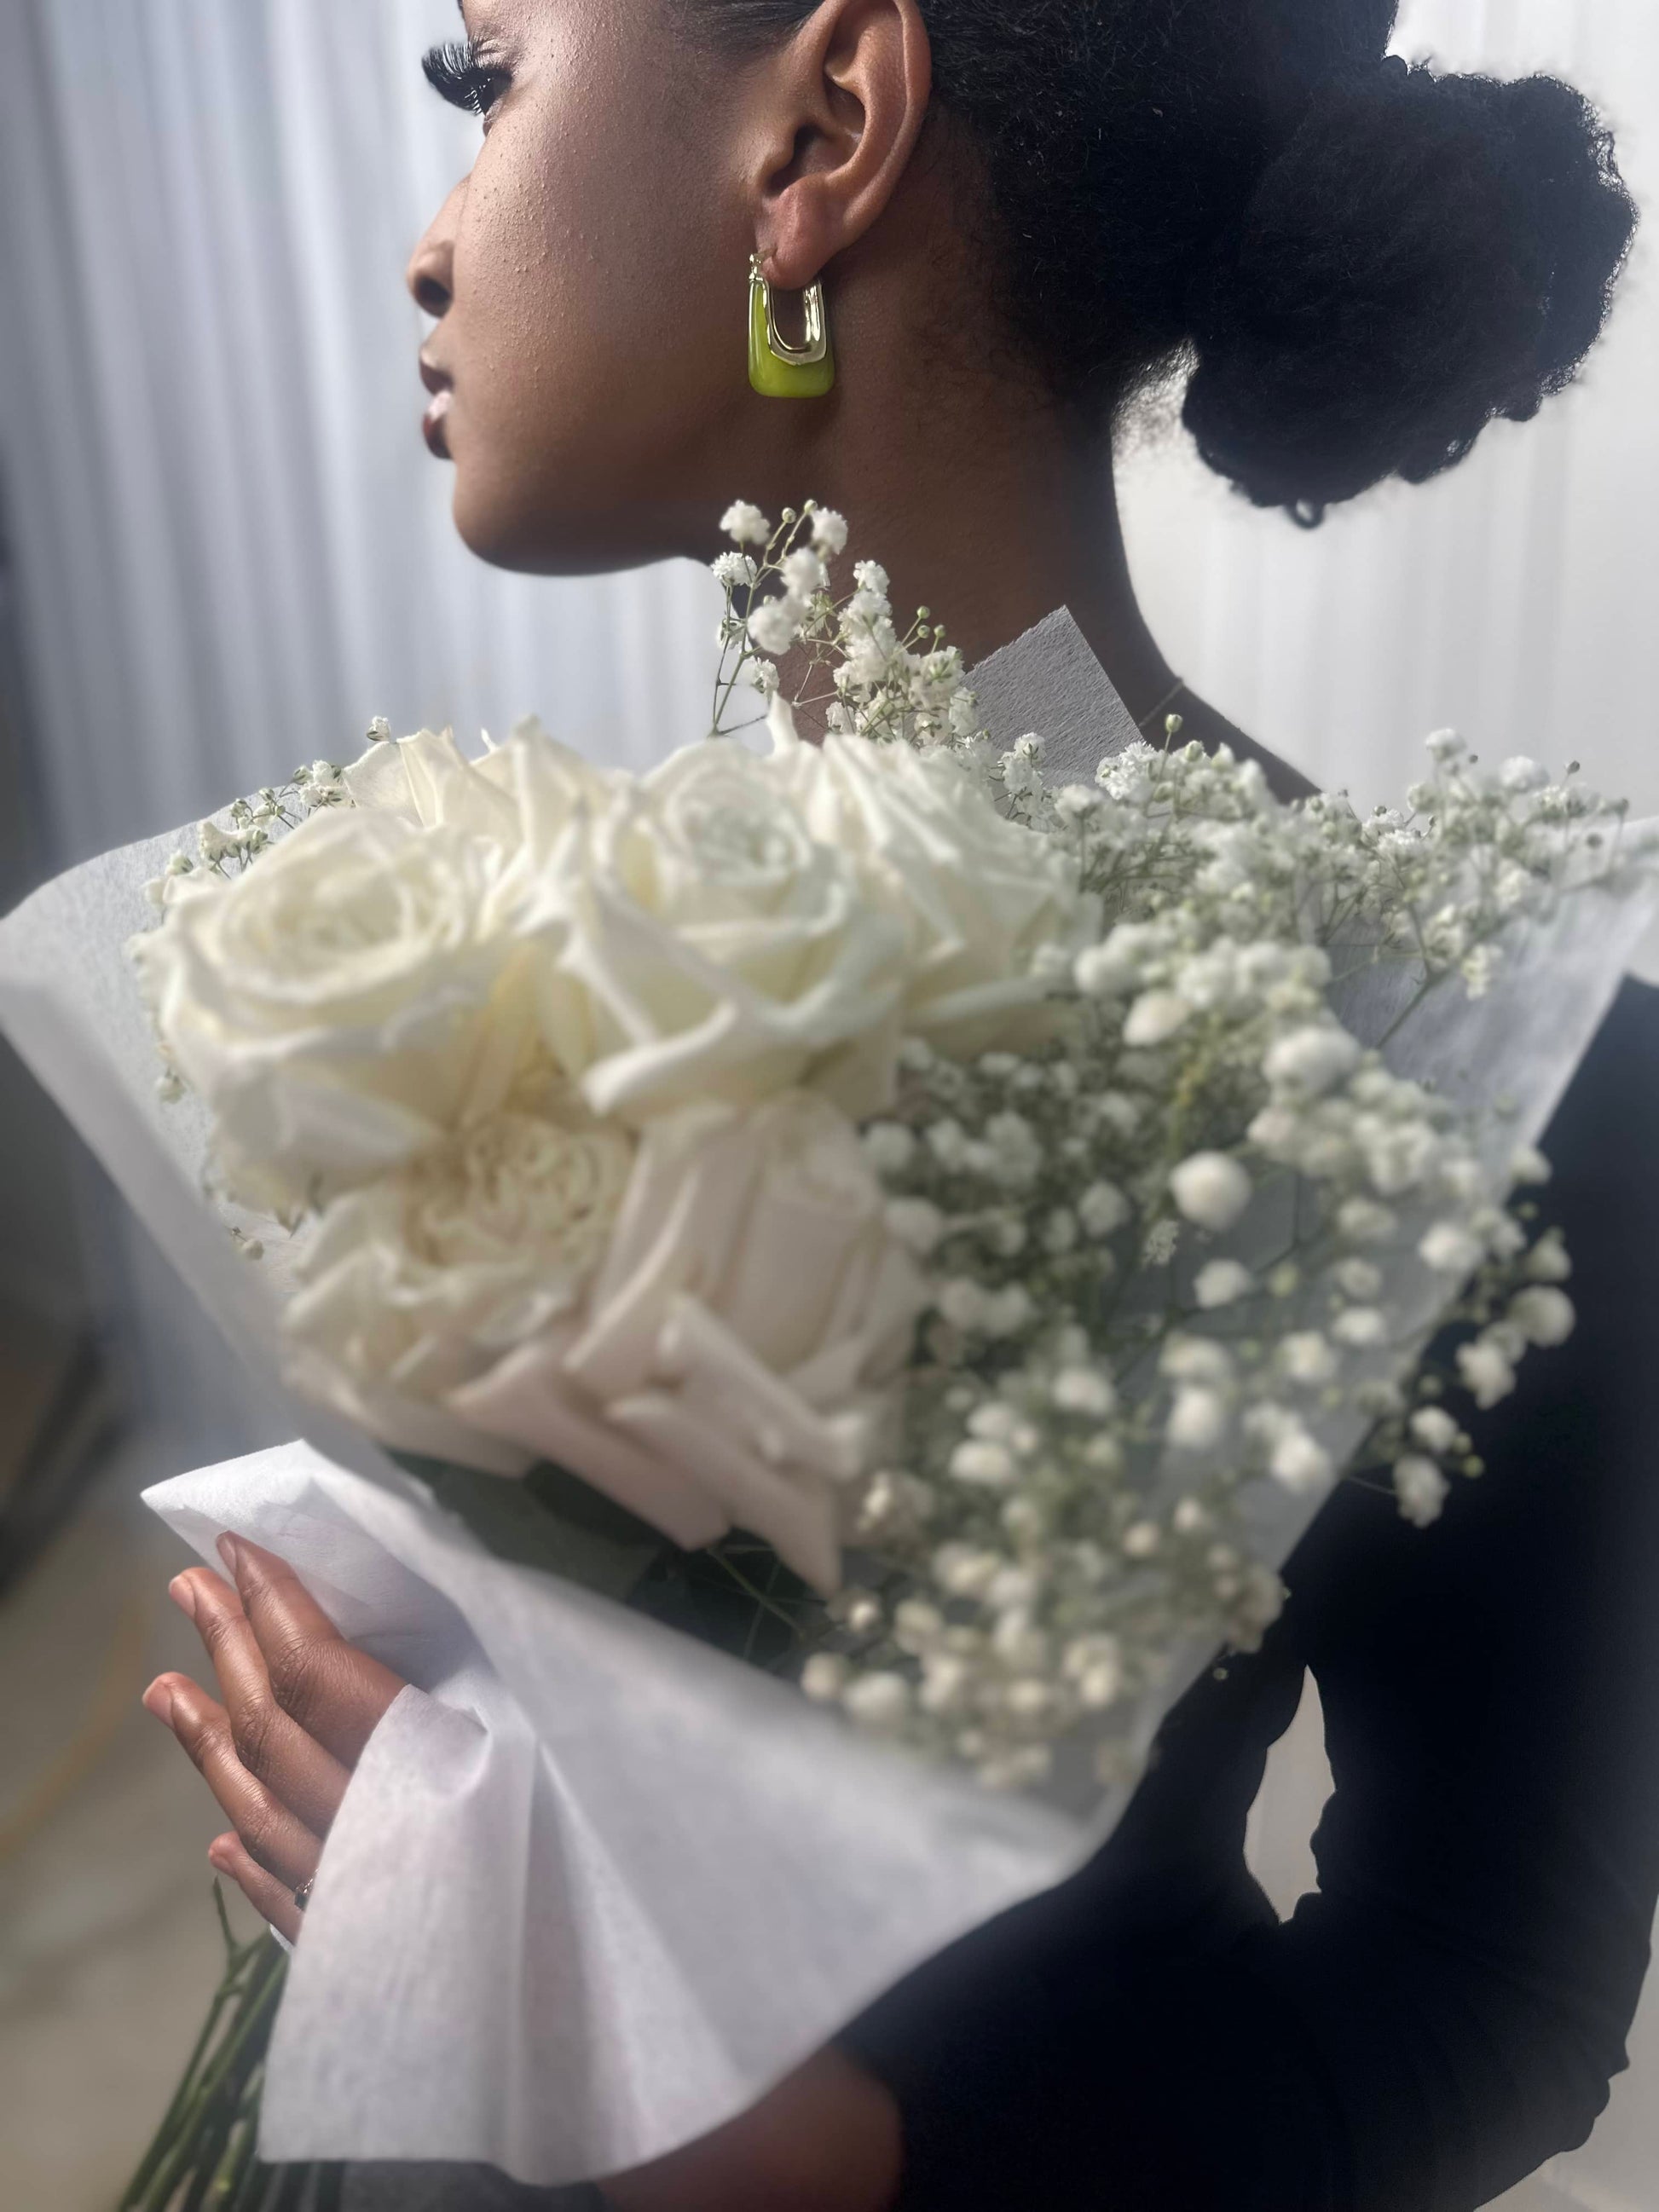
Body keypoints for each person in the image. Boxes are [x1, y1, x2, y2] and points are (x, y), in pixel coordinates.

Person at [137, 3, 1659, 2205]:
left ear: (820, 129)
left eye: (490, 83)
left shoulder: (1474, 1072)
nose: (430, 243)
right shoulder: (509, 930)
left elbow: (1483, 1986)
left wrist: (802, 2153)